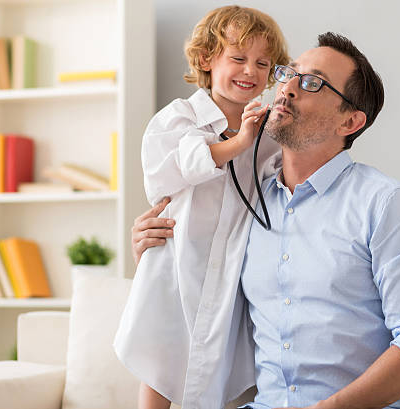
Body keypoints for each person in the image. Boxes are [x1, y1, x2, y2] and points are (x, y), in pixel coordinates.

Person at [131, 32, 400, 409]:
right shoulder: (246, 203)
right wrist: (156, 252)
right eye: (288, 74)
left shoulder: (386, 205)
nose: (287, 88)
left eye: (312, 82)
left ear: (349, 121)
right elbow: (205, 292)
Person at [113, 6, 289, 409]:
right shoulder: (179, 118)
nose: (251, 71)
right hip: (175, 264)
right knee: (162, 357)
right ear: (207, 59)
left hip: (230, 272)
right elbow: (185, 164)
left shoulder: (268, 134)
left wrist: (257, 137)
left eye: (263, 63)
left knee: (226, 361)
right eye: (238, 58)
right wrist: (238, 143)